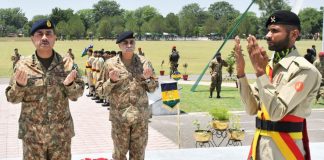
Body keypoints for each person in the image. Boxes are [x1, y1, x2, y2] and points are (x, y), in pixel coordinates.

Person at [234, 10, 321, 160]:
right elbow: (251, 109)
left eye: (275, 31)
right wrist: (241, 73)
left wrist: (260, 73)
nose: (268, 35)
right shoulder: (269, 66)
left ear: (294, 34)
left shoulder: (304, 70)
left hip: (285, 151)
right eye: (268, 30)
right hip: (260, 147)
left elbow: (276, 113)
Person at [5, 19, 84, 159]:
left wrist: (69, 85)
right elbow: (12, 98)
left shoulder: (67, 64)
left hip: (60, 136)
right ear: (32, 38)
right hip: (32, 136)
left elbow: (77, 95)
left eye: (49, 33)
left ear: (55, 38)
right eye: (39, 34)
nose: (44, 37)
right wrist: (19, 86)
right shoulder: (22, 65)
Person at [102, 31, 158, 160]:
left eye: (131, 42)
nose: (129, 45)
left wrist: (148, 79)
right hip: (120, 118)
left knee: (138, 155)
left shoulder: (144, 62)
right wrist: (111, 81)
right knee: (119, 155)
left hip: (140, 119)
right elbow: (100, 91)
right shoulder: (110, 64)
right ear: (119, 46)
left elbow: (153, 88)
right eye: (125, 43)